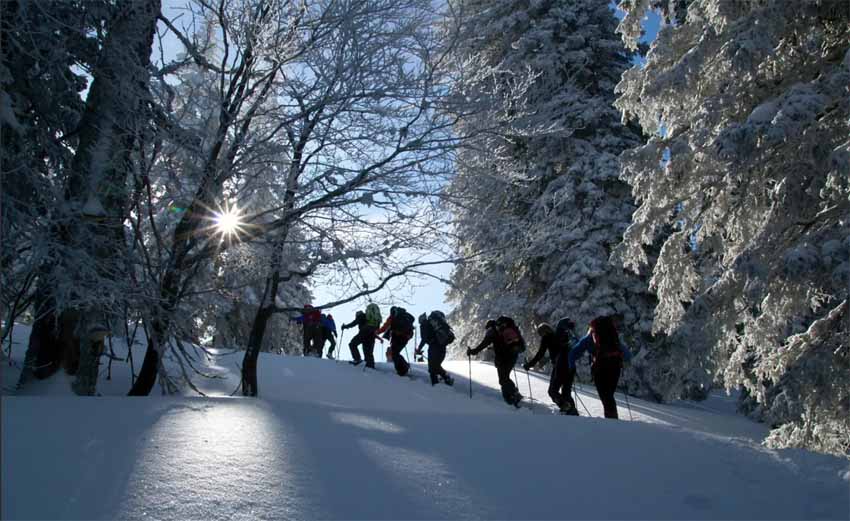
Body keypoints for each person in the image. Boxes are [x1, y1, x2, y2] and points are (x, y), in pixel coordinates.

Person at [567, 315, 632, 419]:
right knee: (609, 396)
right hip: (615, 367)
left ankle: (612, 422)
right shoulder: (612, 337)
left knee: (606, 396)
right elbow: (627, 355)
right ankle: (613, 420)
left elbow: (573, 353)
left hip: (600, 368)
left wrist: (571, 366)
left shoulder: (590, 337)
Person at [467, 316, 525, 407]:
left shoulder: (492, 331)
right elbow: (501, 344)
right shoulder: (504, 329)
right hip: (512, 356)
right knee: (505, 377)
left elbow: (484, 344)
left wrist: (473, 351)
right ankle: (514, 393)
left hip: (503, 359)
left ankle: (512, 398)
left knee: (503, 379)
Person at [524, 318, 578, 414]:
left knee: (552, 391)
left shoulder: (547, 338)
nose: (540, 336)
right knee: (566, 392)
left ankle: (566, 407)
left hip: (559, 367)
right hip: (570, 366)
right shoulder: (562, 336)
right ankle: (573, 413)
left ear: (543, 332)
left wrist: (529, 364)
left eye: (540, 333)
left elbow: (540, 354)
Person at [417, 311, 454, 386]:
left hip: (434, 346)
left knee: (432, 366)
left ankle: (436, 384)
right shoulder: (432, 324)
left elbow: (424, 339)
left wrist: (419, 349)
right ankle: (446, 378)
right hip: (441, 345)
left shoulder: (424, 325)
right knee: (435, 365)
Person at [376, 306, 415, 376]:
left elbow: (385, 327)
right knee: (396, 353)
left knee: (394, 354)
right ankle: (404, 367)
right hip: (405, 337)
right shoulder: (404, 316)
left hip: (397, 337)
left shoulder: (393, 317)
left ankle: (402, 370)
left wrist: (377, 332)